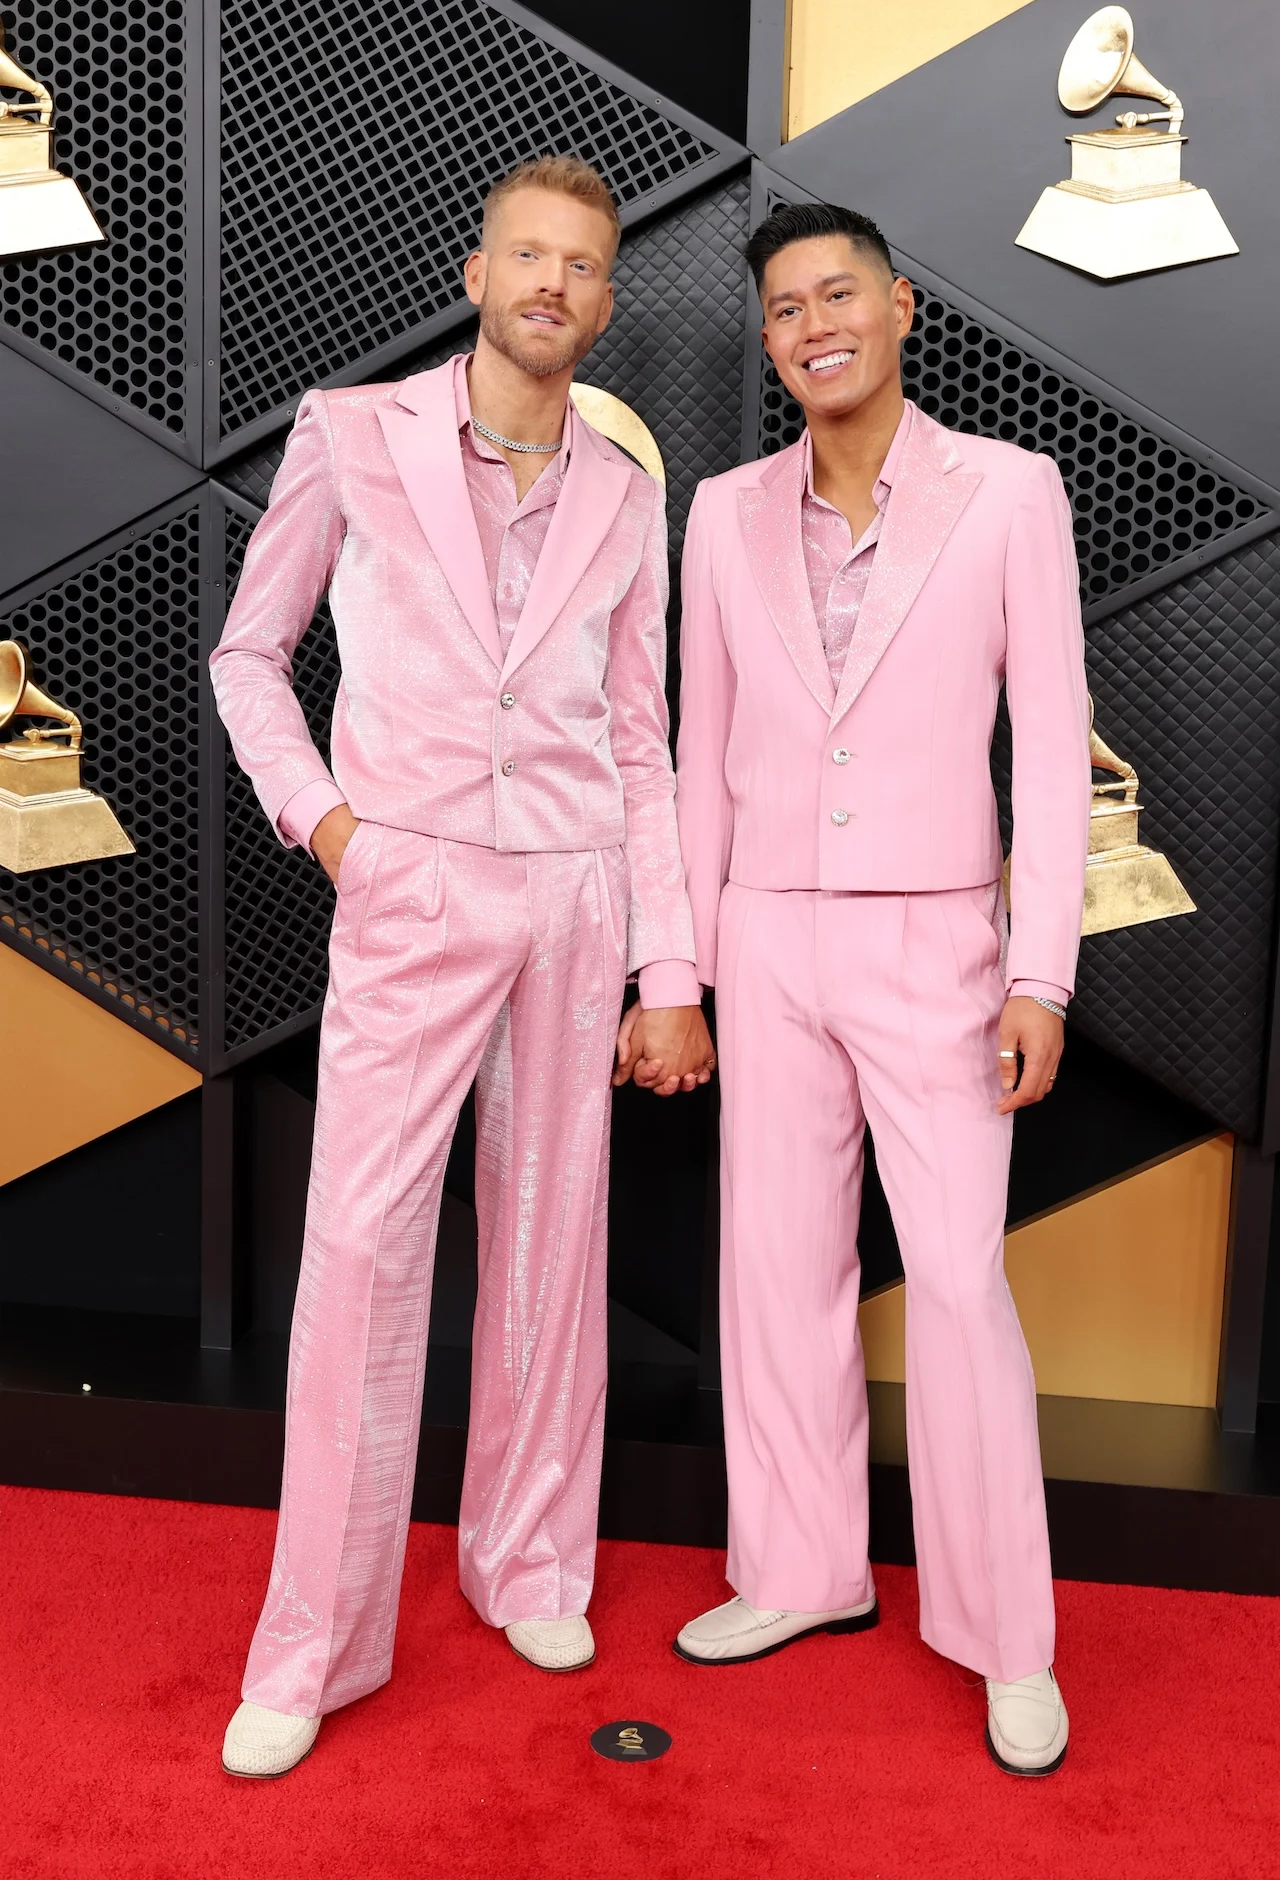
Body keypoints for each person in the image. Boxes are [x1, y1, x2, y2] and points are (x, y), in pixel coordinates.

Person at [210, 154, 714, 1780]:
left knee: (555, 1245)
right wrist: (332, 828)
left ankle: (529, 1563)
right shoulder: (350, 435)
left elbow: (645, 747)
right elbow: (247, 654)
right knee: (359, 1252)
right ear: (479, 268)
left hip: (575, 899)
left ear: (606, 300)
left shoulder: (633, 498)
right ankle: (317, 1642)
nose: (553, 283)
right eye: (528, 255)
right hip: (409, 882)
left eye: (582, 265)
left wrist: (668, 965)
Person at [656, 201, 1090, 1775]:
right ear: (768, 339)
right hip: (764, 937)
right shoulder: (718, 513)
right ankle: (797, 1570)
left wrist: (1040, 972)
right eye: (783, 307)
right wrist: (677, 973)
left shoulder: (1010, 495)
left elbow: (1049, 750)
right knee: (774, 1272)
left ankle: (1007, 1640)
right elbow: (698, 762)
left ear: (903, 307)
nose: (812, 323)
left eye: (839, 293)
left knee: (963, 1288)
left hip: (940, 947)